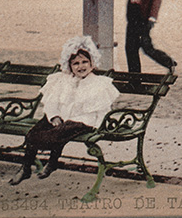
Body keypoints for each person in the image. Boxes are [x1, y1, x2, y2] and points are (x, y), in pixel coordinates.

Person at [10, 35, 119, 185]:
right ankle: (26, 167)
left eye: (85, 62)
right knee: (36, 131)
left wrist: (99, 123)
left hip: (83, 121)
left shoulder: (98, 84)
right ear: (69, 66)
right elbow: (52, 101)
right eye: (76, 63)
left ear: (92, 63)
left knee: (58, 133)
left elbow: (102, 108)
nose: (81, 66)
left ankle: (53, 161)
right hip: (63, 117)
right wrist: (54, 116)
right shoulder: (63, 80)